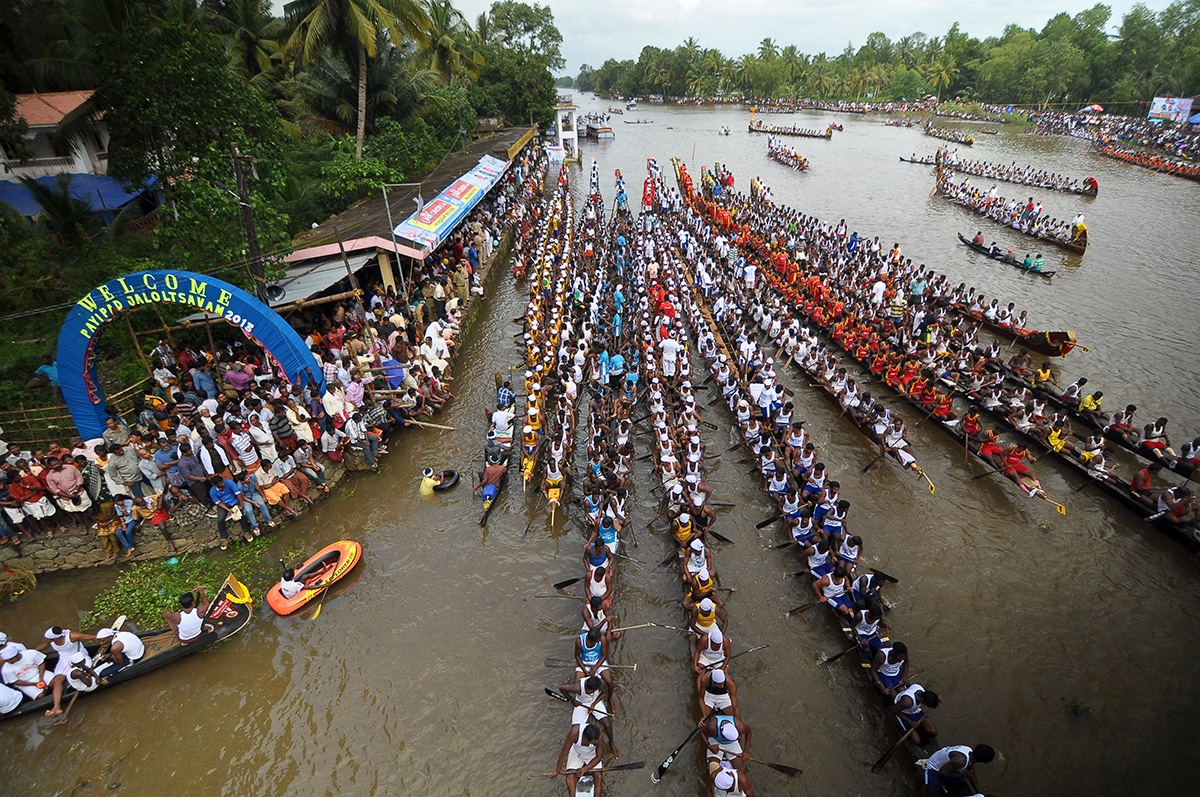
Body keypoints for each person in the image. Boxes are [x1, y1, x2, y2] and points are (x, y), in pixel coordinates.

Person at [551, 722, 604, 795]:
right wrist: (557, 770)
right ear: (586, 739)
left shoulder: (599, 736)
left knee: (598, 776)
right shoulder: (574, 733)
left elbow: (598, 757)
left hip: (591, 753)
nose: (597, 742)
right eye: (594, 741)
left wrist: (583, 769)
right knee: (569, 777)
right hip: (576, 751)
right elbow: (563, 753)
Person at [922, 743, 995, 796]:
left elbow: (972, 773)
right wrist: (963, 775)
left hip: (949, 767)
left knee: (965, 792)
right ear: (982, 761)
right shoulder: (961, 761)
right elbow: (942, 773)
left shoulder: (969, 753)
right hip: (935, 769)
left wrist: (979, 792)